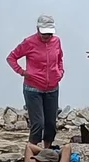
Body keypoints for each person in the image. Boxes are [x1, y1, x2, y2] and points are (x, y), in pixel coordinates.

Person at [7, 15, 64, 145]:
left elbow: (60, 58)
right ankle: (31, 154)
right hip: (33, 89)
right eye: (44, 33)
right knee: (38, 124)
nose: (47, 36)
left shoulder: (57, 41)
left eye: (49, 33)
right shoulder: (29, 42)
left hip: (52, 88)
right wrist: (22, 72)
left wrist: (60, 72)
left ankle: (47, 153)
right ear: (37, 29)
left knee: (51, 124)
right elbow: (11, 57)